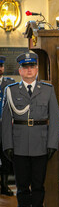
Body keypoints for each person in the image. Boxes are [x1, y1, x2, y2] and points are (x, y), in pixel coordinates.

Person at [2, 52, 59, 207]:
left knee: (38, 186)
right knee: (21, 187)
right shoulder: (10, 91)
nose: (29, 70)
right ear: (20, 70)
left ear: (36, 69)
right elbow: (5, 121)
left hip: (41, 145)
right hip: (18, 146)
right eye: (25, 67)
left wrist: (52, 143)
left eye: (32, 67)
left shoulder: (48, 90)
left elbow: (56, 119)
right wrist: (7, 145)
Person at [0, 55, 15, 196]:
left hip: (4, 126)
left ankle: (4, 186)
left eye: (1, 66)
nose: (0, 68)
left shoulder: (9, 84)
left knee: (5, 155)